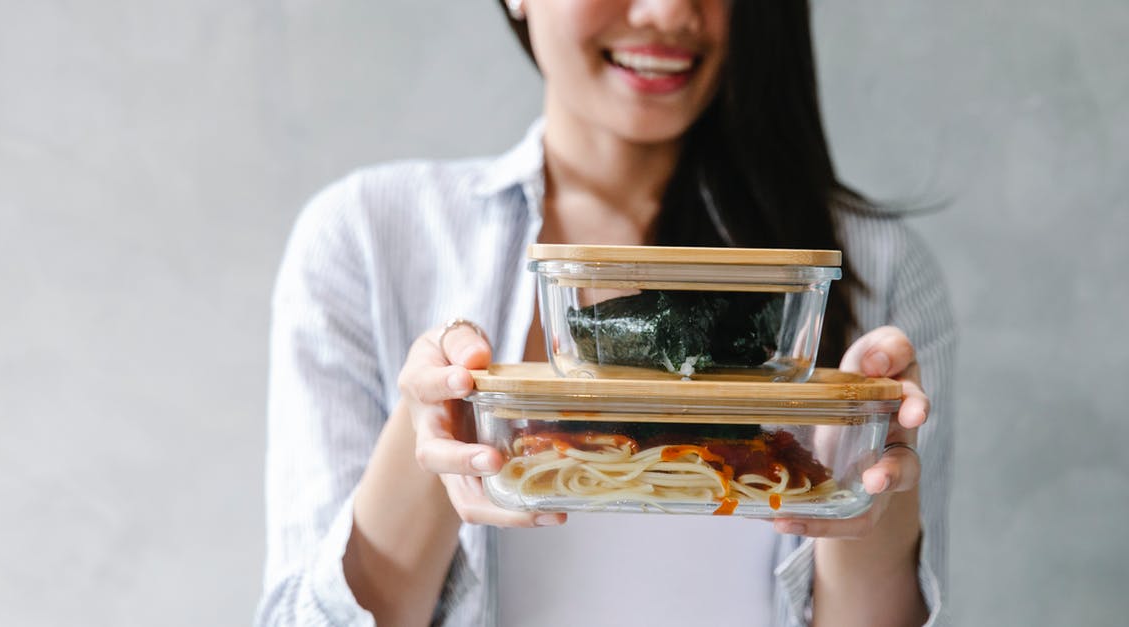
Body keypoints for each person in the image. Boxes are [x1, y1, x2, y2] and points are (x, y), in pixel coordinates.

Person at [255, 1, 956, 625]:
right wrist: (433, 431)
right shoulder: (367, 241)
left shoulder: (871, 269)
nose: (669, 12)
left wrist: (871, 487)